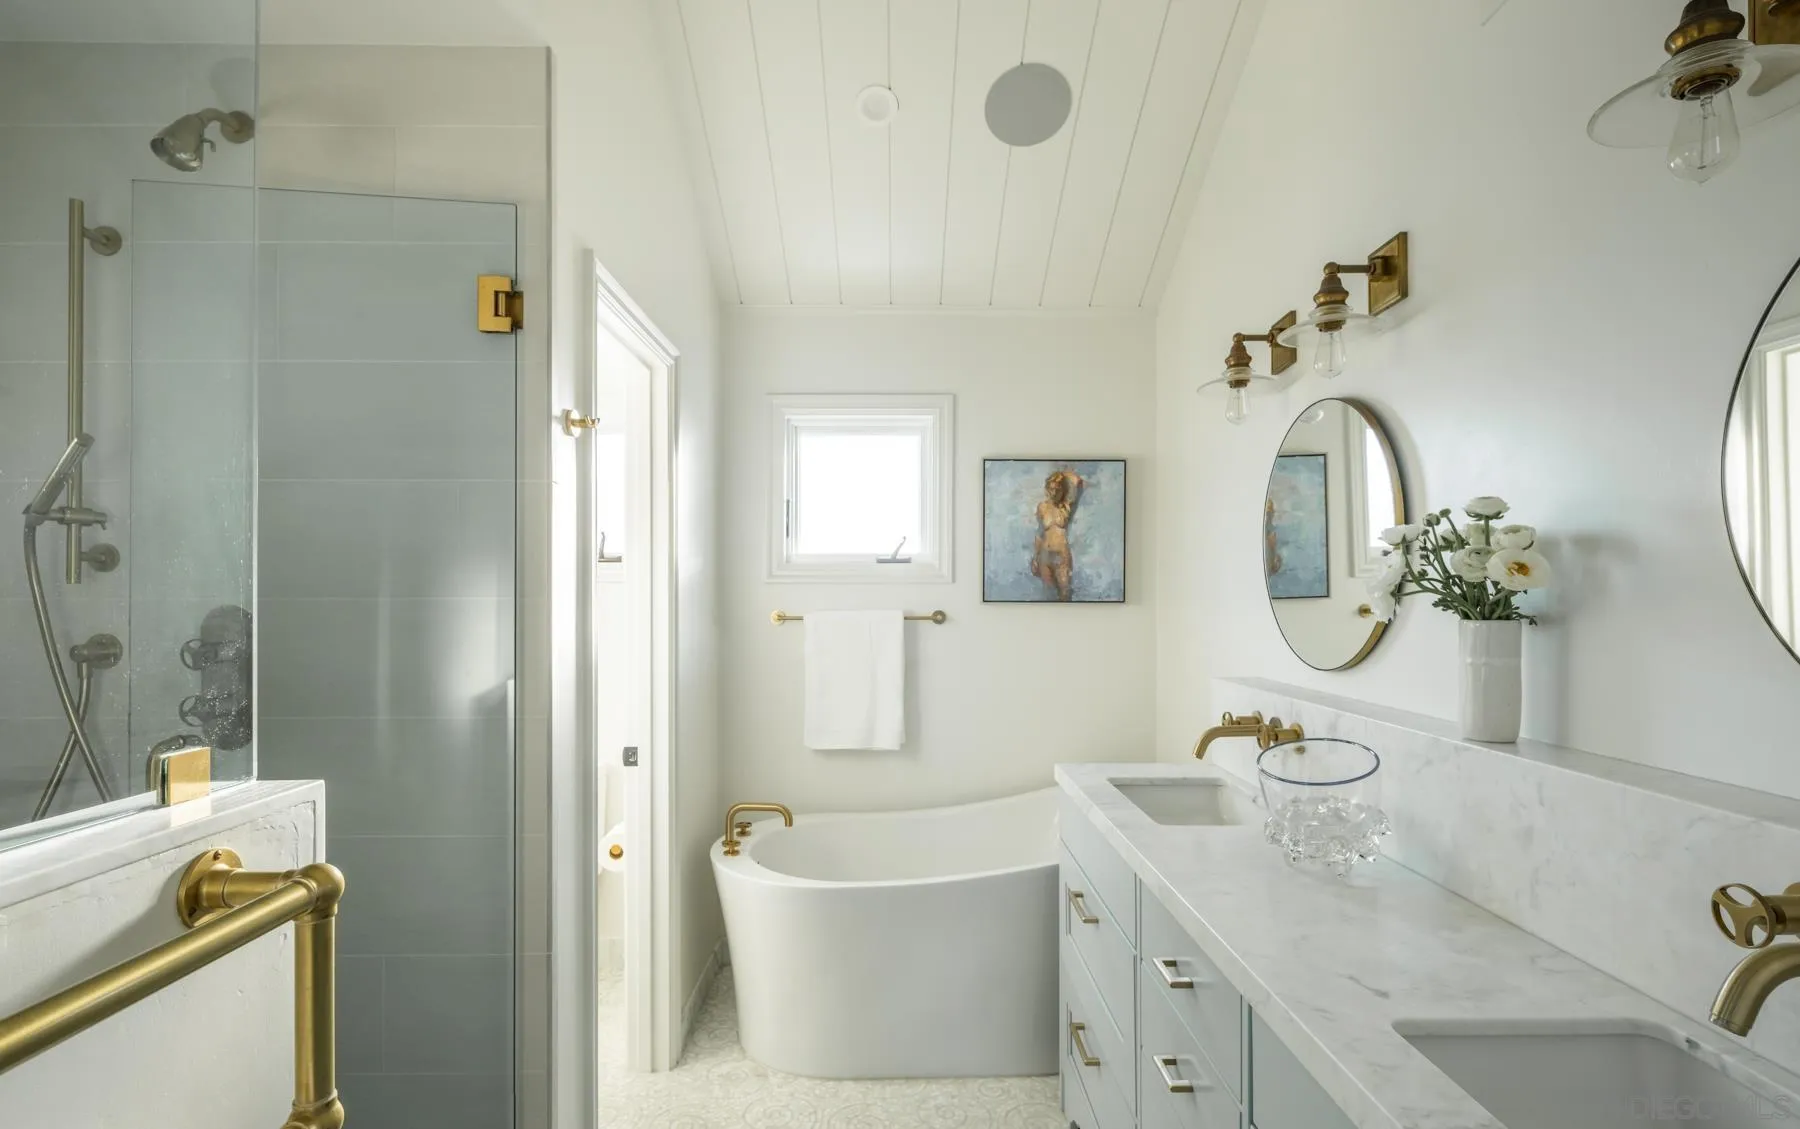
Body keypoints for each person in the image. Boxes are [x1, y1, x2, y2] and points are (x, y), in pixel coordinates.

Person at [1031, 469, 1086, 601]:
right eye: (1051, 489)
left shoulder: (1066, 506)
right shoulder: (1042, 507)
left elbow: (1077, 480)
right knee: (1048, 596)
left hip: (1061, 556)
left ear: (1062, 489)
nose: (1054, 492)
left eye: (1057, 489)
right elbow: (1039, 533)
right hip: (1045, 555)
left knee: (1065, 595)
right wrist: (1035, 558)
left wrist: (1061, 475)